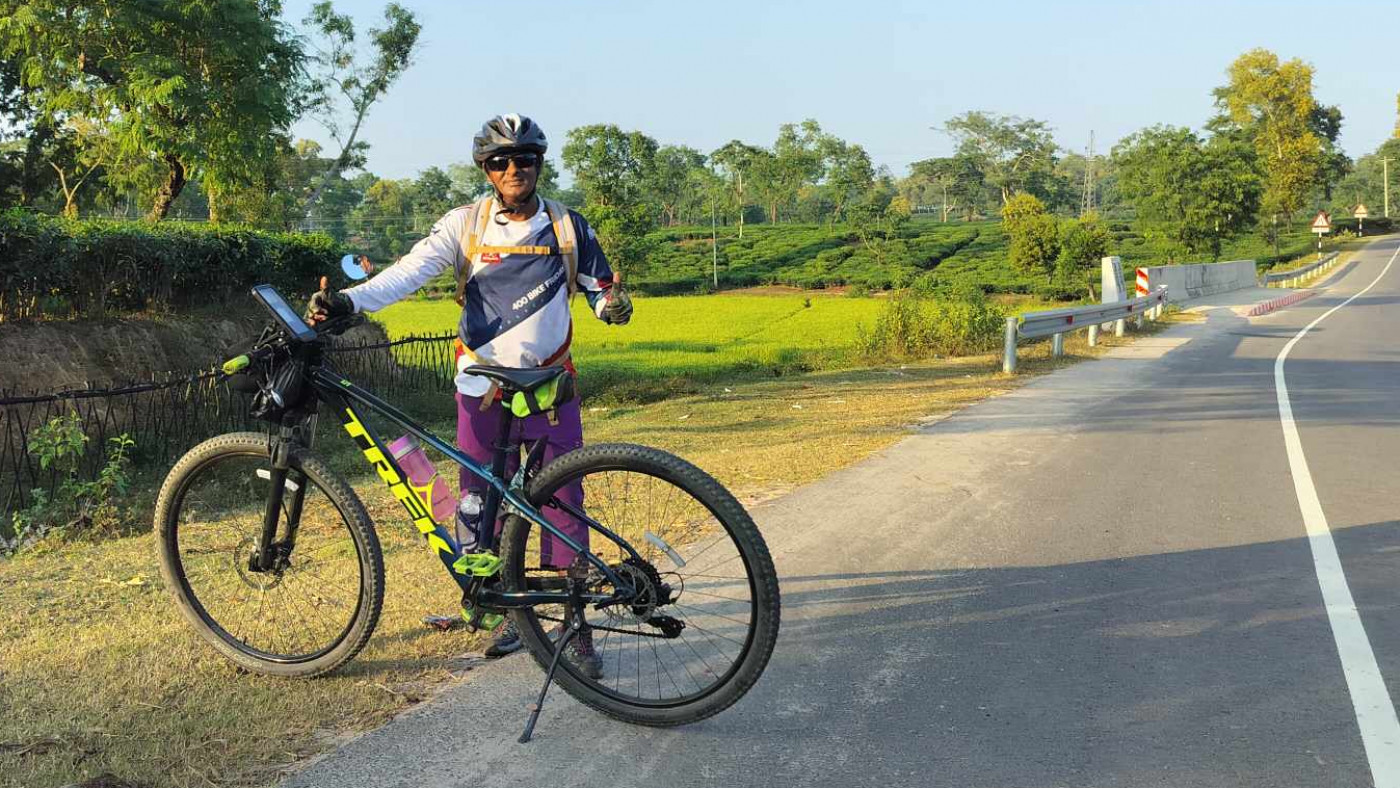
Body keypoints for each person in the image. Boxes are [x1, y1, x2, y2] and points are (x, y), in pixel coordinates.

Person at [306, 114, 632, 678]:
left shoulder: (568, 226)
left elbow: (600, 290)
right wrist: (351, 302)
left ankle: (574, 625)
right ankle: (512, 613)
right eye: (501, 161)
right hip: (482, 390)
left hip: (550, 387)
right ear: (486, 170)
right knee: (482, 504)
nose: (513, 169)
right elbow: (408, 273)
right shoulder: (465, 225)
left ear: (538, 164)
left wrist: (613, 307)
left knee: (563, 503)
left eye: (524, 159)